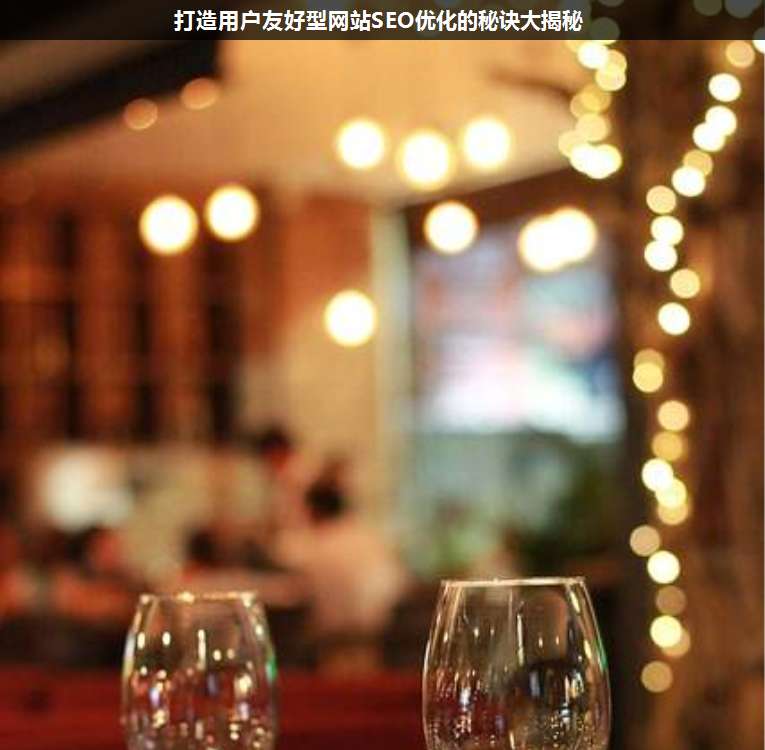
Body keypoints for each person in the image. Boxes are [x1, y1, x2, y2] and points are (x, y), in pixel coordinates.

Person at [273, 467, 408, 668]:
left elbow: (297, 591)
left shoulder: (317, 545)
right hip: (385, 642)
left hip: (334, 648)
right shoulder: (370, 538)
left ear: (312, 510)